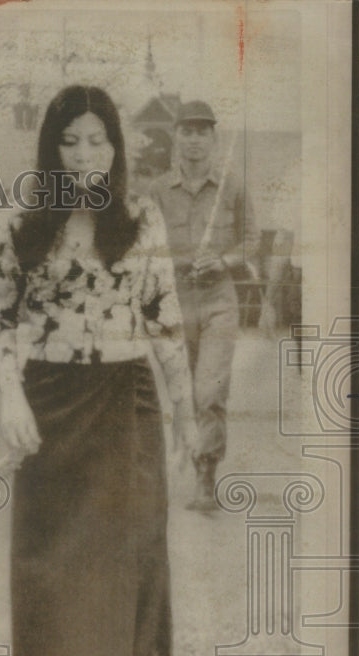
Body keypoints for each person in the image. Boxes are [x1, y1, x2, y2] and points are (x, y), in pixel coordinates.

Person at [0, 85, 197, 656]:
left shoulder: (140, 215)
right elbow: (0, 318)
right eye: (68, 142)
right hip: (49, 398)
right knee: (54, 555)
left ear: (115, 146)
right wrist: (11, 397)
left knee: (123, 550)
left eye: (96, 141)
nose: (82, 155)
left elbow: (165, 318)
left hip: (126, 397)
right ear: (50, 148)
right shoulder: (18, 220)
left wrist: (185, 413)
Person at [148, 101, 258, 511]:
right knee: (183, 391)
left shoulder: (232, 186)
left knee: (209, 388)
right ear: (176, 137)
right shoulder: (158, 190)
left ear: (213, 138)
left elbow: (250, 239)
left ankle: (205, 475)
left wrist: (225, 260)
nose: (194, 140)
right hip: (174, 303)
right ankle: (184, 460)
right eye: (187, 131)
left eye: (202, 132)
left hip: (217, 301)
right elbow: (146, 244)